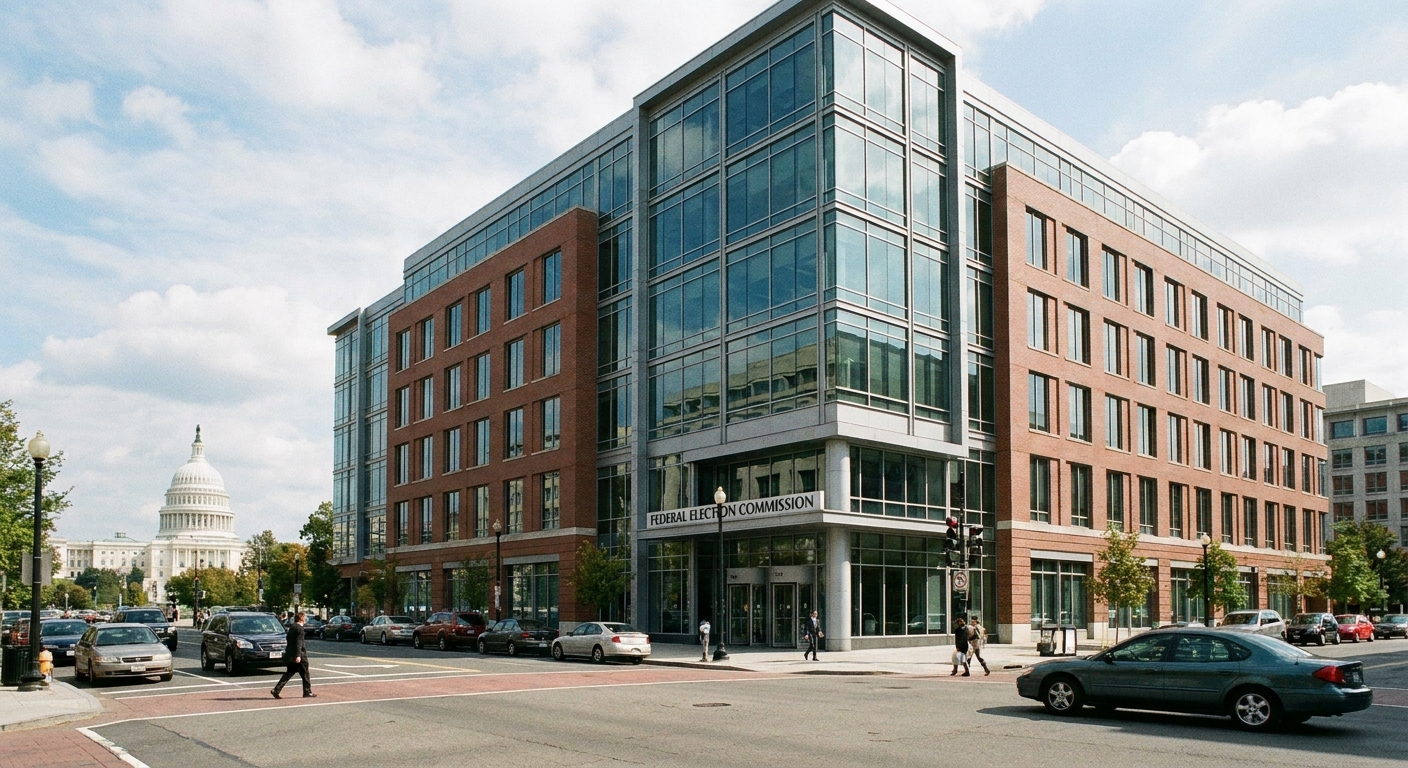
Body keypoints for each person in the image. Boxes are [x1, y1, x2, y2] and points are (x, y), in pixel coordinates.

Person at [272, 611, 316, 699]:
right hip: (299, 655)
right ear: (302, 618)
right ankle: (307, 692)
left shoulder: (292, 627)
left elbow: (289, 640)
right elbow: (298, 643)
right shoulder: (300, 629)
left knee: (289, 673)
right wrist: (298, 655)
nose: (306, 619)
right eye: (305, 617)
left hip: (290, 654)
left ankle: (276, 689)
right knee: (305, 673)